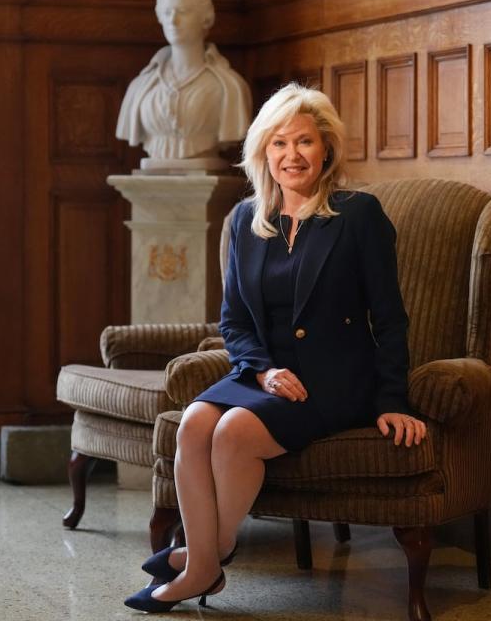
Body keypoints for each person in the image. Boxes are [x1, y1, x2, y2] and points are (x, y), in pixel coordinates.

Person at [123, 83, 428, 613]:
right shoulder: (246, 219)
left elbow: (391, 317)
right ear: (264, 151)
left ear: (326, 148)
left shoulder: (358, 215)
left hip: (333, 377)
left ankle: (201, 562)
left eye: (305, 142)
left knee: (234, 431)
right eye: (280, 143)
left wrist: (393, 400)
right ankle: (208, 560)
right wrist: (261, 371)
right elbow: (235, 320)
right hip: (262, 371)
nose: (292, 155)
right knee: (195, 420)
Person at [115, 0, 251, 167]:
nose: (173, 20)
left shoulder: (230, 86)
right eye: (167, 13)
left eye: (183, 11)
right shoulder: (140, 87)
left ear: (205, 19)